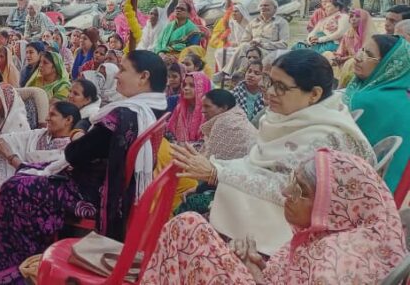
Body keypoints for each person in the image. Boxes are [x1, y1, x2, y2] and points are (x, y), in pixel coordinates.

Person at [0, 50, 168, 284]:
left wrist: (78, 134)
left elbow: (74, 153)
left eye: (122, 70)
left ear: (143, 77)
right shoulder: (154, 108)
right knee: (32, 169)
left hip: (92, 193)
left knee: (13, 188)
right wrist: (81, 130)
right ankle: (35, 255)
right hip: (111, 188)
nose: (116, 75)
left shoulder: (125, 115)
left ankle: (13, 268)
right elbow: (87, 130)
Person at [171, 49, 375, 255]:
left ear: (314, 94)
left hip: (305, 236)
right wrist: (215, 169)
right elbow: (256, 162)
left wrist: (217, 174)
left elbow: (291, 193)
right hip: (276, 210)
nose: (269, 92)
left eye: (281, 87)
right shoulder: (290, 117)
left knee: (188, 231)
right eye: (270, 82)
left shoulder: (325, 138)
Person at [143, 149, 407, 285]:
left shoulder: (336, 262)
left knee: (187, 227)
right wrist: (258, 266)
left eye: (300, 189)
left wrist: (251, 273)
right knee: (190, 227)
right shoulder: (334, 235)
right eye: (292, 180)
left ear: (333, 205)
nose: (285, 192)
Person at [0, 101, 81, 226]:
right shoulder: (38, 135)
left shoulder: (72, 148)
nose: (46, 118)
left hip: (43, 195)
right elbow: (2, 139)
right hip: (22, 183)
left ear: (68, 120)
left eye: (52, 115)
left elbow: (44, 176)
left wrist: (11, 157)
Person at [174, 89, 258, 215]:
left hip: (242, 191)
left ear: (223, 108)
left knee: (189, 203)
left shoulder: (226, 123)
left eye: (207, 106)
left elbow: (212, 169)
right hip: (231, 182)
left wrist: (198, 188)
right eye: (202, 106)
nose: (202, 111)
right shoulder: (234, 116)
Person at [345, 34, 410, 189]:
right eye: (362, 50)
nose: (357, 57)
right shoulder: (401, 94)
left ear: (389, 66)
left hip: (359, 182)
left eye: (368, 54)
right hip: (391, 187)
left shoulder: (367, 100)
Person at [225, 0, 290, 75]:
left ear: (275, 8)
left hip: (269, 51)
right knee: (244, 47)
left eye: (266, 5)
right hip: (251, 48)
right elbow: (244, 41)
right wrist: (251, 44)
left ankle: (234, 72)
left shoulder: (281, 22)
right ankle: (234, 73)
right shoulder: (253, 22)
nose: (263, 7)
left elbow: (284, 44)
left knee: (251, 52)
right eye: (261, 6)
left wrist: (263, 45)